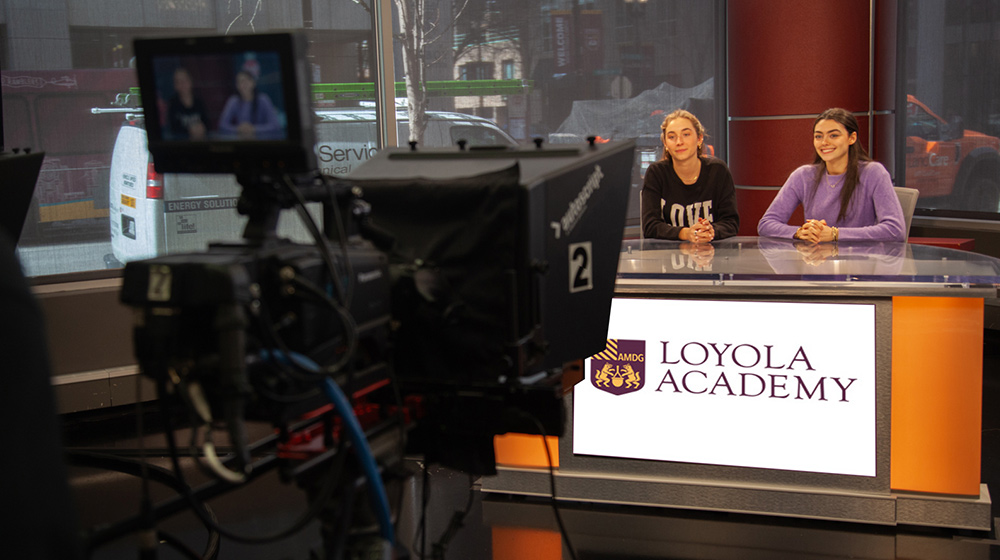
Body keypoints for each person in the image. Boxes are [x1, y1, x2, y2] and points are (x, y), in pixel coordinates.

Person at [757, 108, 905, 242]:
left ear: (852, 138)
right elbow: (766, 224)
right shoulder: (803, 176)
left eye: (833, 135)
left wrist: (835, 234)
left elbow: (895, 229)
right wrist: (800, 232)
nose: (824, 142)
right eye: (818, 136)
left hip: (859, 266)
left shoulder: (873, 173)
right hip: (816, 264)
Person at [640, 109, 739, 242]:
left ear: (699, 138)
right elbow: (650, 226)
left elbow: (731, 223)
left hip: (713, 255)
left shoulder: (718, 171)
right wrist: (686, 233)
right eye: (671, 137)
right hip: (667, 257)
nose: (679, 141)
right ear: (665, 144)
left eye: (686, 134)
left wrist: (710, 232)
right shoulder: (656, 173)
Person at [217, 66, 282, 140]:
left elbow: (275, 125)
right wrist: (239, 129)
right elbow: (222, 125)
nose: (243, 85)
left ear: (253, 83)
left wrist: (253, 129)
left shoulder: (263, 99)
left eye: (246, 81)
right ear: (237, 86)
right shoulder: (233, 101)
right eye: (240, 82)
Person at [165, 67, 208, 141]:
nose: (182, 84)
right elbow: (172, 129)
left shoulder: (199, 102)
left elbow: (208, 124)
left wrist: (202, 128)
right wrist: (189, 131)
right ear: (175, 86)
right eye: (178, 82)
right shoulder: (172, 104)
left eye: (184, 81)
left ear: (190, 82)